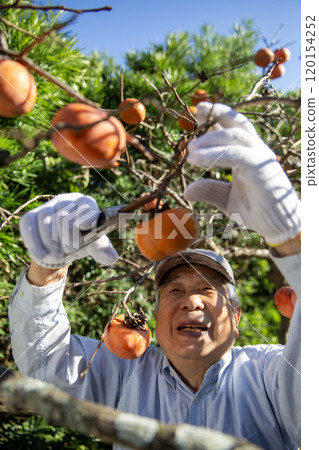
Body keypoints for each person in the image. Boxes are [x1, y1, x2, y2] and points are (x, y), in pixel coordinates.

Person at [8, 103, 301, 450]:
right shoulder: (123, 372)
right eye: (174, 290)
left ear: (236, 318)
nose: (190, 300)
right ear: (157, 316)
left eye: (207, 290)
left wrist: (293, 242)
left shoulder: (271, 374)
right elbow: (44, 365)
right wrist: (47, 268)